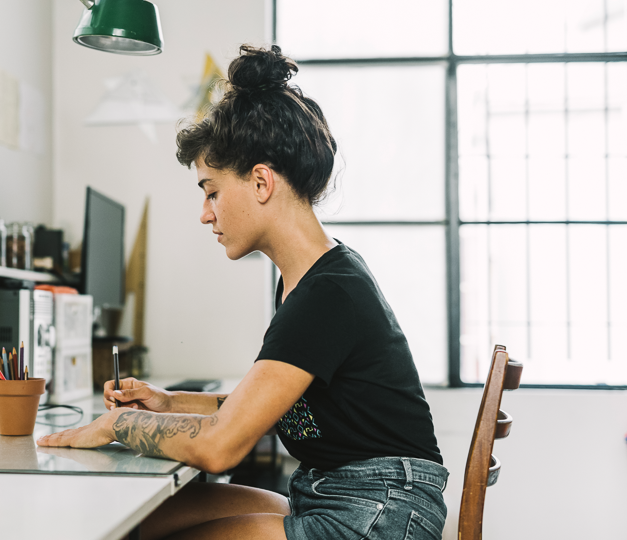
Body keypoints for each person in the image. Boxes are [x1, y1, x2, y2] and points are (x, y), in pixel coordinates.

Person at [37, 44, 447, 540]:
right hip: (335, 493)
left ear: (260, 182)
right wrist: (168, 402)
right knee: (146, 524)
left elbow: (220, 448)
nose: (205, 213)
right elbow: (264, 407)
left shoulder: (328, 292)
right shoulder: (308, 279)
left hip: (381, 511)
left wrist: (115, 427)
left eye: (211, 191)